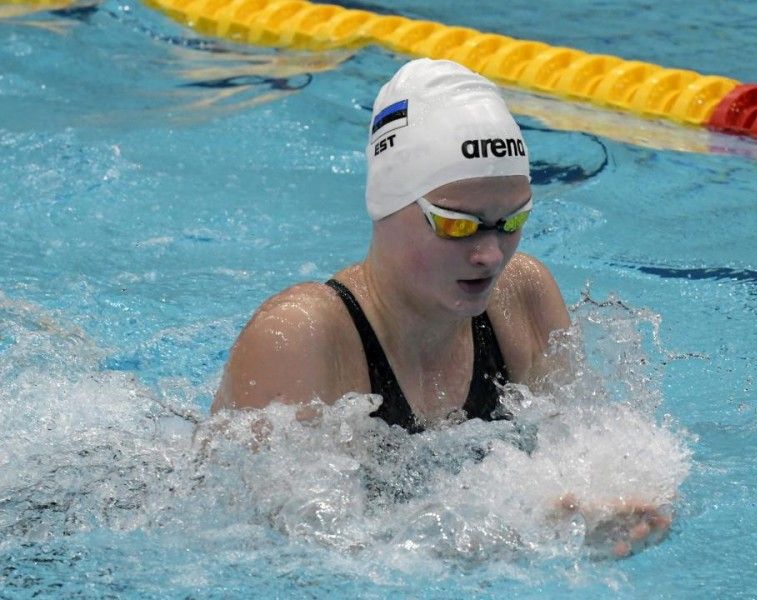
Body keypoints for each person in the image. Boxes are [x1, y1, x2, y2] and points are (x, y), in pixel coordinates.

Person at [211, 58, 670, 557]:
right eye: (457, 225)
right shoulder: (301, 338)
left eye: (512, 222)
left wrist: (606, 514)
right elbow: (293, 557)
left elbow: (589, 456)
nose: (491, 255)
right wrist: (521, 533)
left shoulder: (522, 297)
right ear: (387, 204)